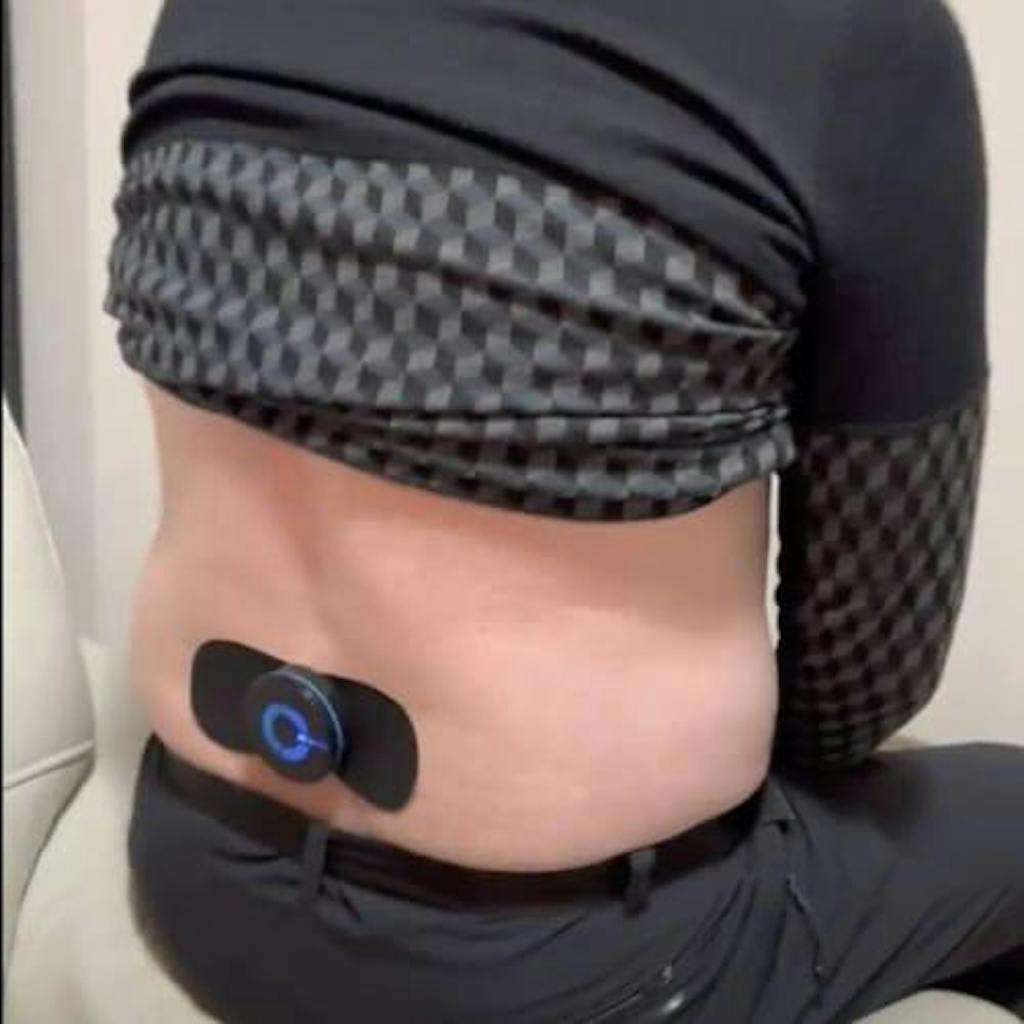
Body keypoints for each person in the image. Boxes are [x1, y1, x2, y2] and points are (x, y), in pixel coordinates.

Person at [105, 0, 1022, 1020]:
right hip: (575, 960)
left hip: (195, 865)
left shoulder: (208, 14)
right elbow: (868, 674)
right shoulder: (852, 38)